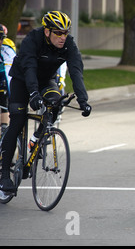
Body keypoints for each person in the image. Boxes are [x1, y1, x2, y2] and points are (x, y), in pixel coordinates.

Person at [0, 11, 92, 192]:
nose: (62, 37)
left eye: (65, 32)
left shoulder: (68, 45)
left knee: (56, 102)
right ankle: (3, 176)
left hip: (45, 81)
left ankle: (36, 138)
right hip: (22, 80)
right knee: (17, 120)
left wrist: (83, 100)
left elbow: (76, 71)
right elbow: (29, 68)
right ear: (47, 32)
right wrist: (33, 93)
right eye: (58, 32)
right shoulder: (32, 40)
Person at [0, 24, 16, 135]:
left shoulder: (7, 49)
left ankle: (4, 130)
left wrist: (13, 98)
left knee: (3, 100)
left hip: (3, 77)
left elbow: (9, 74)